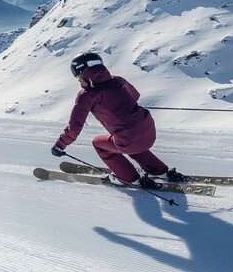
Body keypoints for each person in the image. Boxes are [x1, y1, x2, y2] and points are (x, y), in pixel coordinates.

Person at [51, 52, 189, 189]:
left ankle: (130, 179)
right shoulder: (118, 80)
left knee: (99, 144)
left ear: (80, 72)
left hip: (128, 138)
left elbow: (74, 127)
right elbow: (135, 96)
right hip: (148, 131)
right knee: (129, 142)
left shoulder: (87, 95)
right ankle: (161, 171)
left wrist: (59, 146)